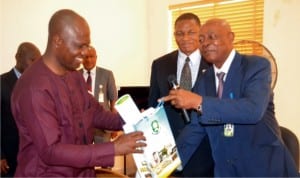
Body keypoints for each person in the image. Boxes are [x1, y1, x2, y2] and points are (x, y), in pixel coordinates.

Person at [10, 9, 146, 177]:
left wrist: (129, 120)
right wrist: (113, 148)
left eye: (87, 45)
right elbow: (51, 150)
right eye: (80, 46)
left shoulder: (74, 75)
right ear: (57, 41)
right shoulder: (34, 88)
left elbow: (94, 113)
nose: (86, 52)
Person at [162, 18, 299, 177]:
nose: (205, 43)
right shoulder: (203, 81)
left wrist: (199, 102)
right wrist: (166, 164)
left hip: (263, 168)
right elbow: (195, 129)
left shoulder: (256, 66)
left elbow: (253, 110)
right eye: (201, 39)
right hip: (226, 171)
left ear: (231, 37)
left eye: (212, 37)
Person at [148, 12, 214, 177]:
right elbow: (154, 105)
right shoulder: (160, 64)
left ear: (200, 33)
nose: (185, 38)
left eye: (191, 32)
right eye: (179, 33)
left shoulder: (213, 64)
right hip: (170, 150)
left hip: (206, 149)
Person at [1, 42, 41, 177]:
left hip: (35, 160)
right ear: (18, 57)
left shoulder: (40, 84)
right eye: (32, 60)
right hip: (9, 161)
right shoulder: (2, 83)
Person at [80, 46, 118, 143]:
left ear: (96, 57)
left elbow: (114, 100)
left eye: (91, 56)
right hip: (81, 126)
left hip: (103, 125)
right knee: (83, 156)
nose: (88, 60)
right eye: (85, 57)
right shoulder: (74, 75)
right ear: (81, 58)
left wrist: (113, 124)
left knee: (104, 156)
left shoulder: (107, 74)